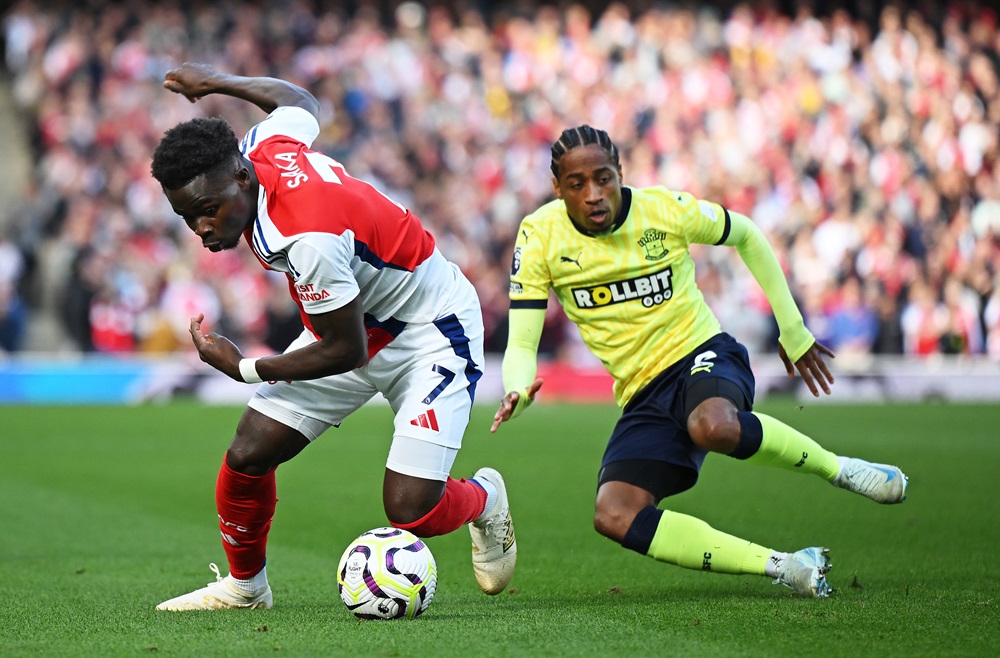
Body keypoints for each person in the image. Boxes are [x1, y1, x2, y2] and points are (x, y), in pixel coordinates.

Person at [150, 63, 515, 611]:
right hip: (356, 324)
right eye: (188, 217)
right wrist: (219, 83)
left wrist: (244, 368)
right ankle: (247, 589)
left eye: (208, 209)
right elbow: (297, 99)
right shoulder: (264, 147)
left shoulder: (307, 239)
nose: (201, 227)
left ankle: (485, 499)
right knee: (248, 453)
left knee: (411, 510)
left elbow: (347, 352)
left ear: (242, 179)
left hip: (430, 330)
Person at [492, 125, 908, 598]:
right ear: (557, 188)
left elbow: (747, 234)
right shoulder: (539, 236)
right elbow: (522, 344)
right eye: (577, 185)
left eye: (604, 179)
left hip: (703, 353)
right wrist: (518, 389)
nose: (594, 194)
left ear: (621, 174)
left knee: (712, 426)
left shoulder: (663, 210)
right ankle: (786, 566)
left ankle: (841, 469)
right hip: (642, 393)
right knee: (613, 514)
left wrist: (793, 331)